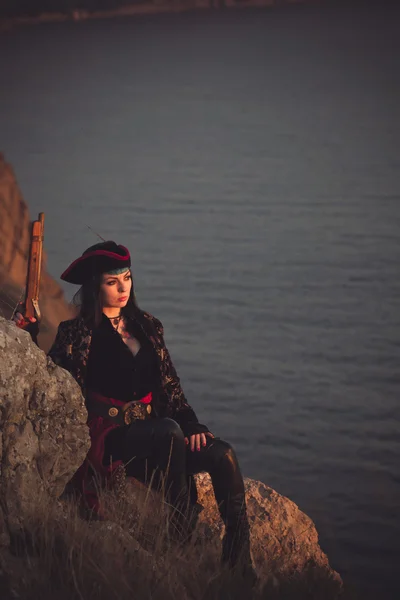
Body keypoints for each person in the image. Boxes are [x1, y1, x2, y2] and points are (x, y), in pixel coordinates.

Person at [14, 240, 254, 576]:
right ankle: (181, 524)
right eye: (112, 282)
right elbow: (53, 383)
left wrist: (194, 425)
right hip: (110, 437)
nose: (123, 287)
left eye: (126, 278)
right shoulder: (77, 332)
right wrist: (30, 335)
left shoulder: (149, 326)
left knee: (222, 454)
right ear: (95, 287)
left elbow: (171, 387)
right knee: (168, 431)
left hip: (157, 433)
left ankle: (239, 560)